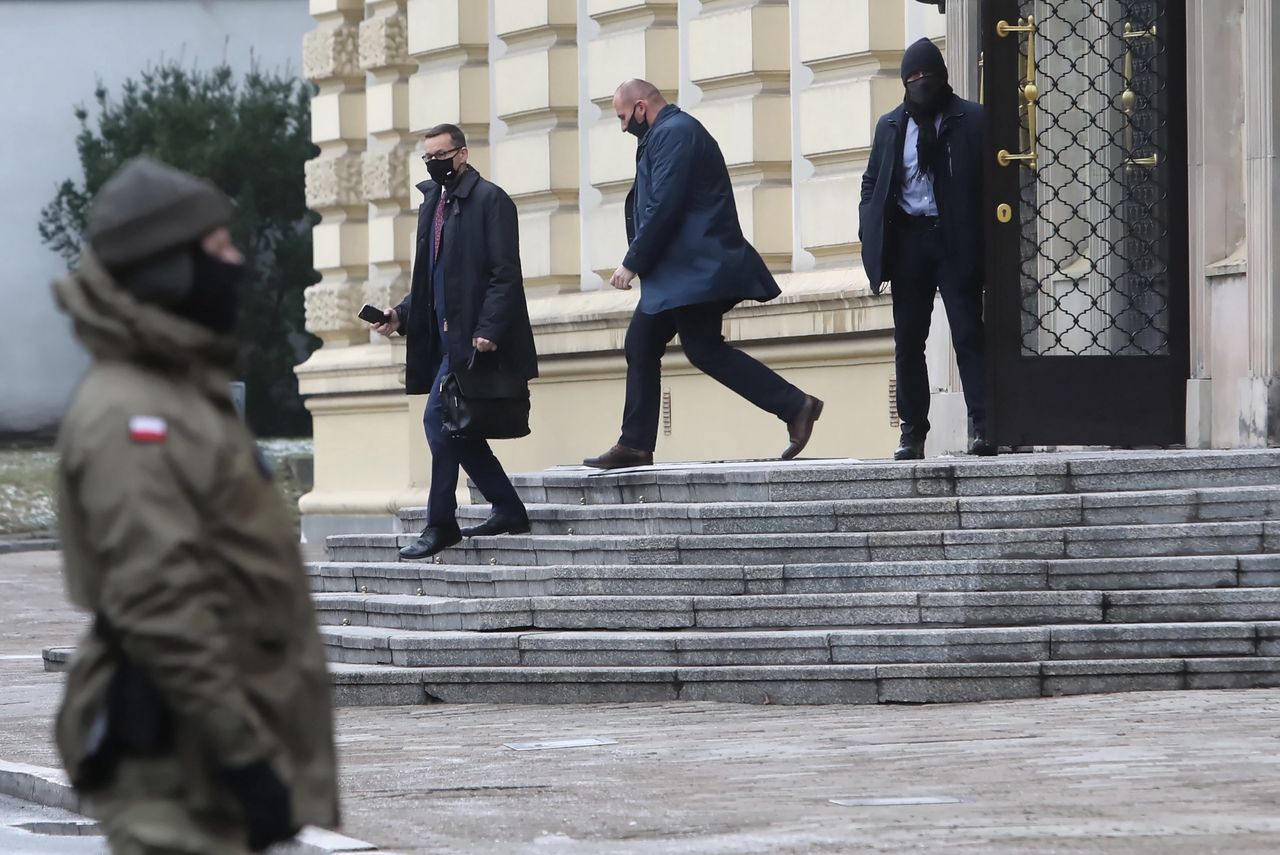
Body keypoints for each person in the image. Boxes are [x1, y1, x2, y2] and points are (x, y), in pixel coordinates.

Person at [51, 157, 339, 854]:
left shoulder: (178, 392)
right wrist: (244, 759)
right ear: (166, 271)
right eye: (217, 249)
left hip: (204, 760)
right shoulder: (133, 413)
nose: (237, 262)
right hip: (180, 762)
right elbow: (161, 604)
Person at [582, 79, 824, 471]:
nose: (622, 127)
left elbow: (664, 206)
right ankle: (635, 444)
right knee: (648, 345)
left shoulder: (676, 134)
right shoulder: (668, 133)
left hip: (694, 272)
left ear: (641, 107)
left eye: (623, 117)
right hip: (684, 272)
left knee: (693, 348)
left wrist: (633, 262)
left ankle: (796, 405)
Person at [371, 123, 537, 560]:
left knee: (438, 422)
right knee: (456, 428)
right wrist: (400, 315)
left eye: (440, 155)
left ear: (462, 155)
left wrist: (489, 329)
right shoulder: (435, 204)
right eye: (427, 158)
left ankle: (441, 522)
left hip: (473, 341)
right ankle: (506, 506)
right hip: (443, 340)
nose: (433, 164)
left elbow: (505, 274)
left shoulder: (491, 201)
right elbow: (430, 278)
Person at [860, 38, 995, 460]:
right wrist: (869, 225)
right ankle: (912, 432)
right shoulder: (891, 126)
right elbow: (872, 181)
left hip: (954, 238)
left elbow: (992, 178)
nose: (920, 82)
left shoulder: (970, 119)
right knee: (909, 340)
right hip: (909, 242)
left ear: (943, 76)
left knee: (968, 332)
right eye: (912, 77)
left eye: (926, 75)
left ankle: (985, 427)